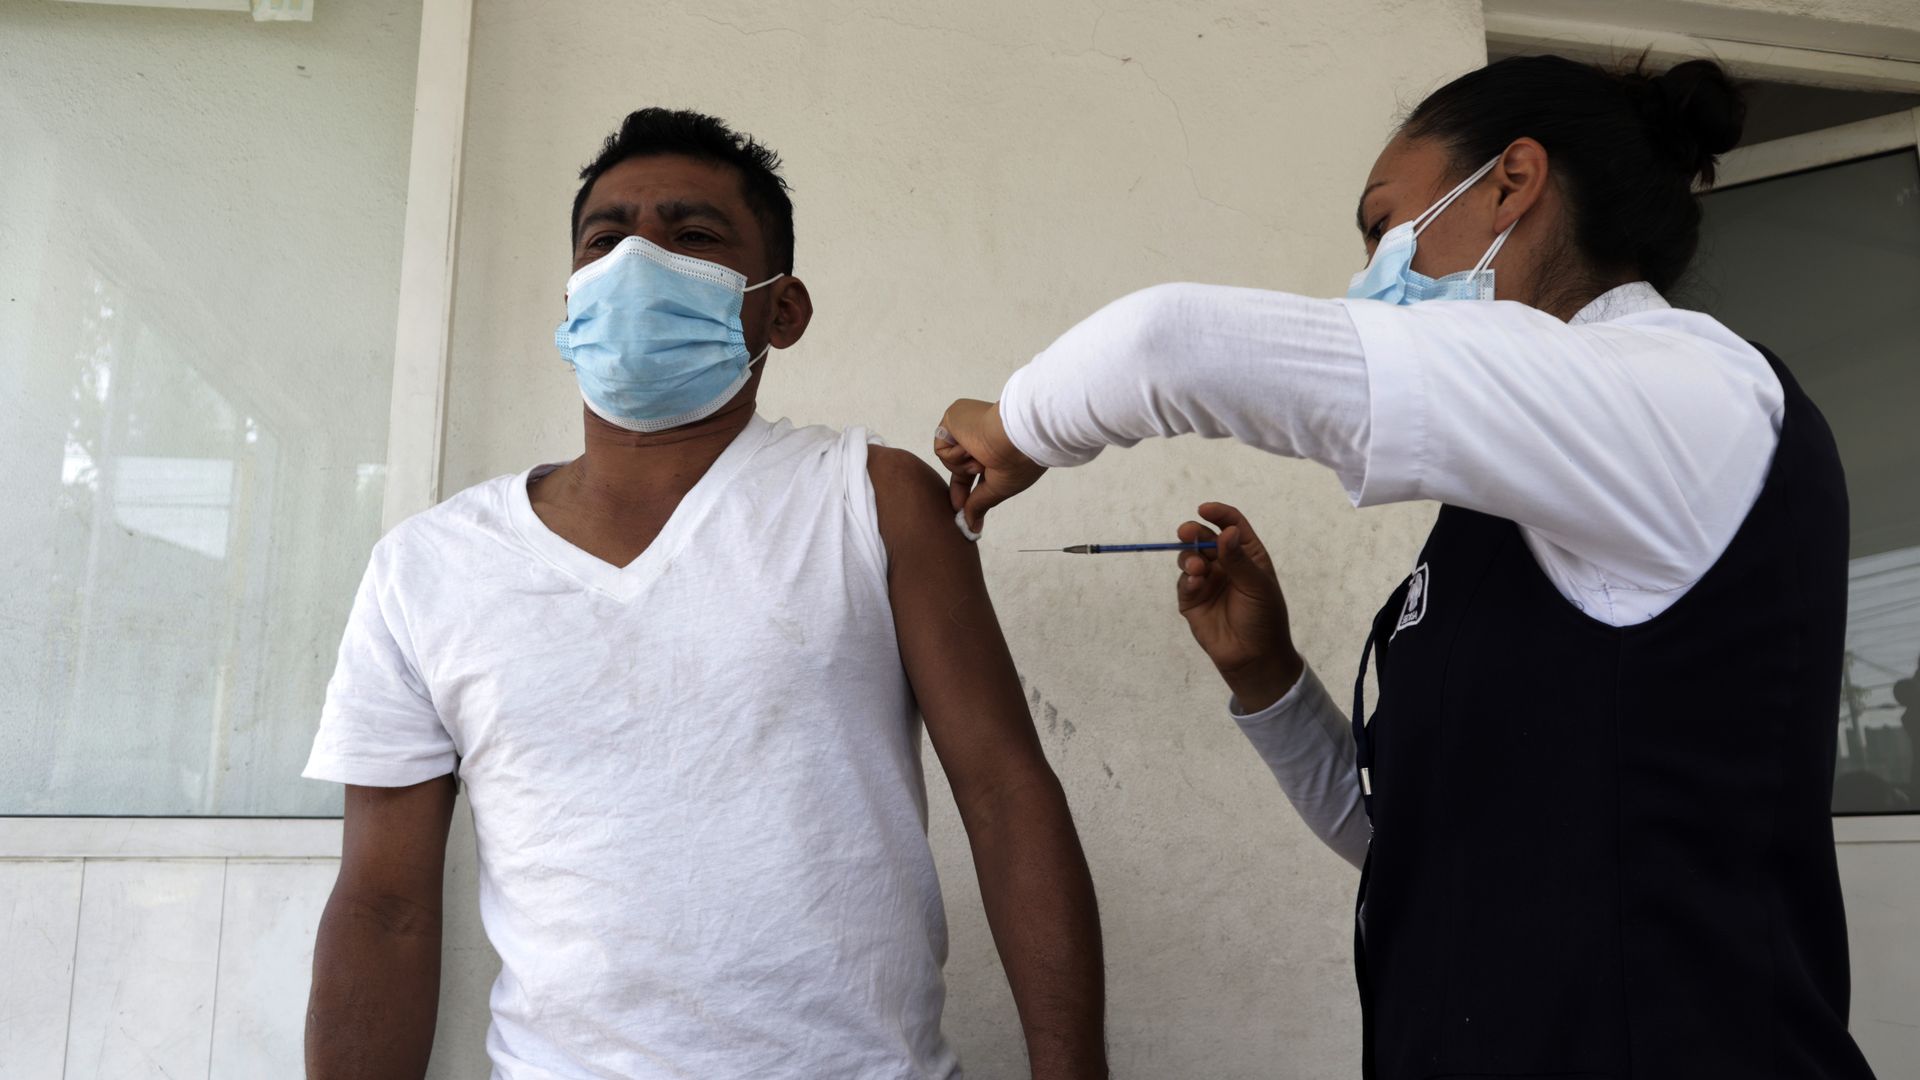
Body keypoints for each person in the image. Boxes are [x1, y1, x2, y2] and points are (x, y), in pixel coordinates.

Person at [933, 56, 1877, 1079]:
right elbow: (1414, 843)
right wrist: (1272, 685)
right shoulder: (1521, 504)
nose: (1371, 273)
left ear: (1514, 182)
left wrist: (1020, 424)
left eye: (1385, 226)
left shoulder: (1686, 392)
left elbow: (1164, 345)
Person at [303, 108, 1107, 1080]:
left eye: (693, 236)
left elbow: (1007, 796)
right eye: (607, 240)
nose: (639, 261)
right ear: (569, 304)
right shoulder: (427, 566)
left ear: (784, 309)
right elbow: (384, 905)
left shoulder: (874, 499)